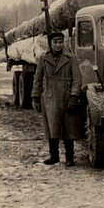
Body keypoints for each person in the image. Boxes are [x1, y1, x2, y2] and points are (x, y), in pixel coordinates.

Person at [31, 31, 82, 166]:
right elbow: (37, 78)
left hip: (66, 95)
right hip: (50, 96)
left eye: (60, 42)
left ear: (64, 43)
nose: (58, 45)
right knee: (52, 127)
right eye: (55, 42)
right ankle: (54, 156)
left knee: (68, 128)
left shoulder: (71, 58)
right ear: (50, 44)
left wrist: (74, 96)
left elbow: (77, 78)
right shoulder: (43, 58)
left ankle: (70, 157)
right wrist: (35, 96)